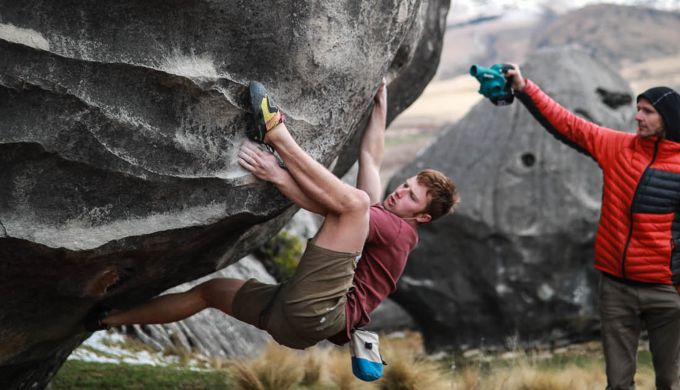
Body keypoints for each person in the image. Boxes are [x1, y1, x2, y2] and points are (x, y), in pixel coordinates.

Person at [90, 79, 459, 349]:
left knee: (355, 204)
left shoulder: (399, 232)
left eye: (412, 197)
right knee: (209, 293)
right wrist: (380, 105)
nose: (402, 191)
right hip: (292, 320)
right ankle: (105, 319)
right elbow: (371, 159)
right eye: (407, 184)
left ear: (422, 218)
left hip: (318, 312)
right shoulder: (387, 219)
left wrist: (277, 173)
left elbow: (335, 206)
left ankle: (277, 133)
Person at [505, 65, 680, 390]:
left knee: (670, 382)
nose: (638, 117)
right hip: (616, 289)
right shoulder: (617, 147)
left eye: (648, 112)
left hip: (666, 292)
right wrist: (524, 87)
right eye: (637, 109)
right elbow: (568, 125)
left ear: (667, 119)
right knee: (617, 384)